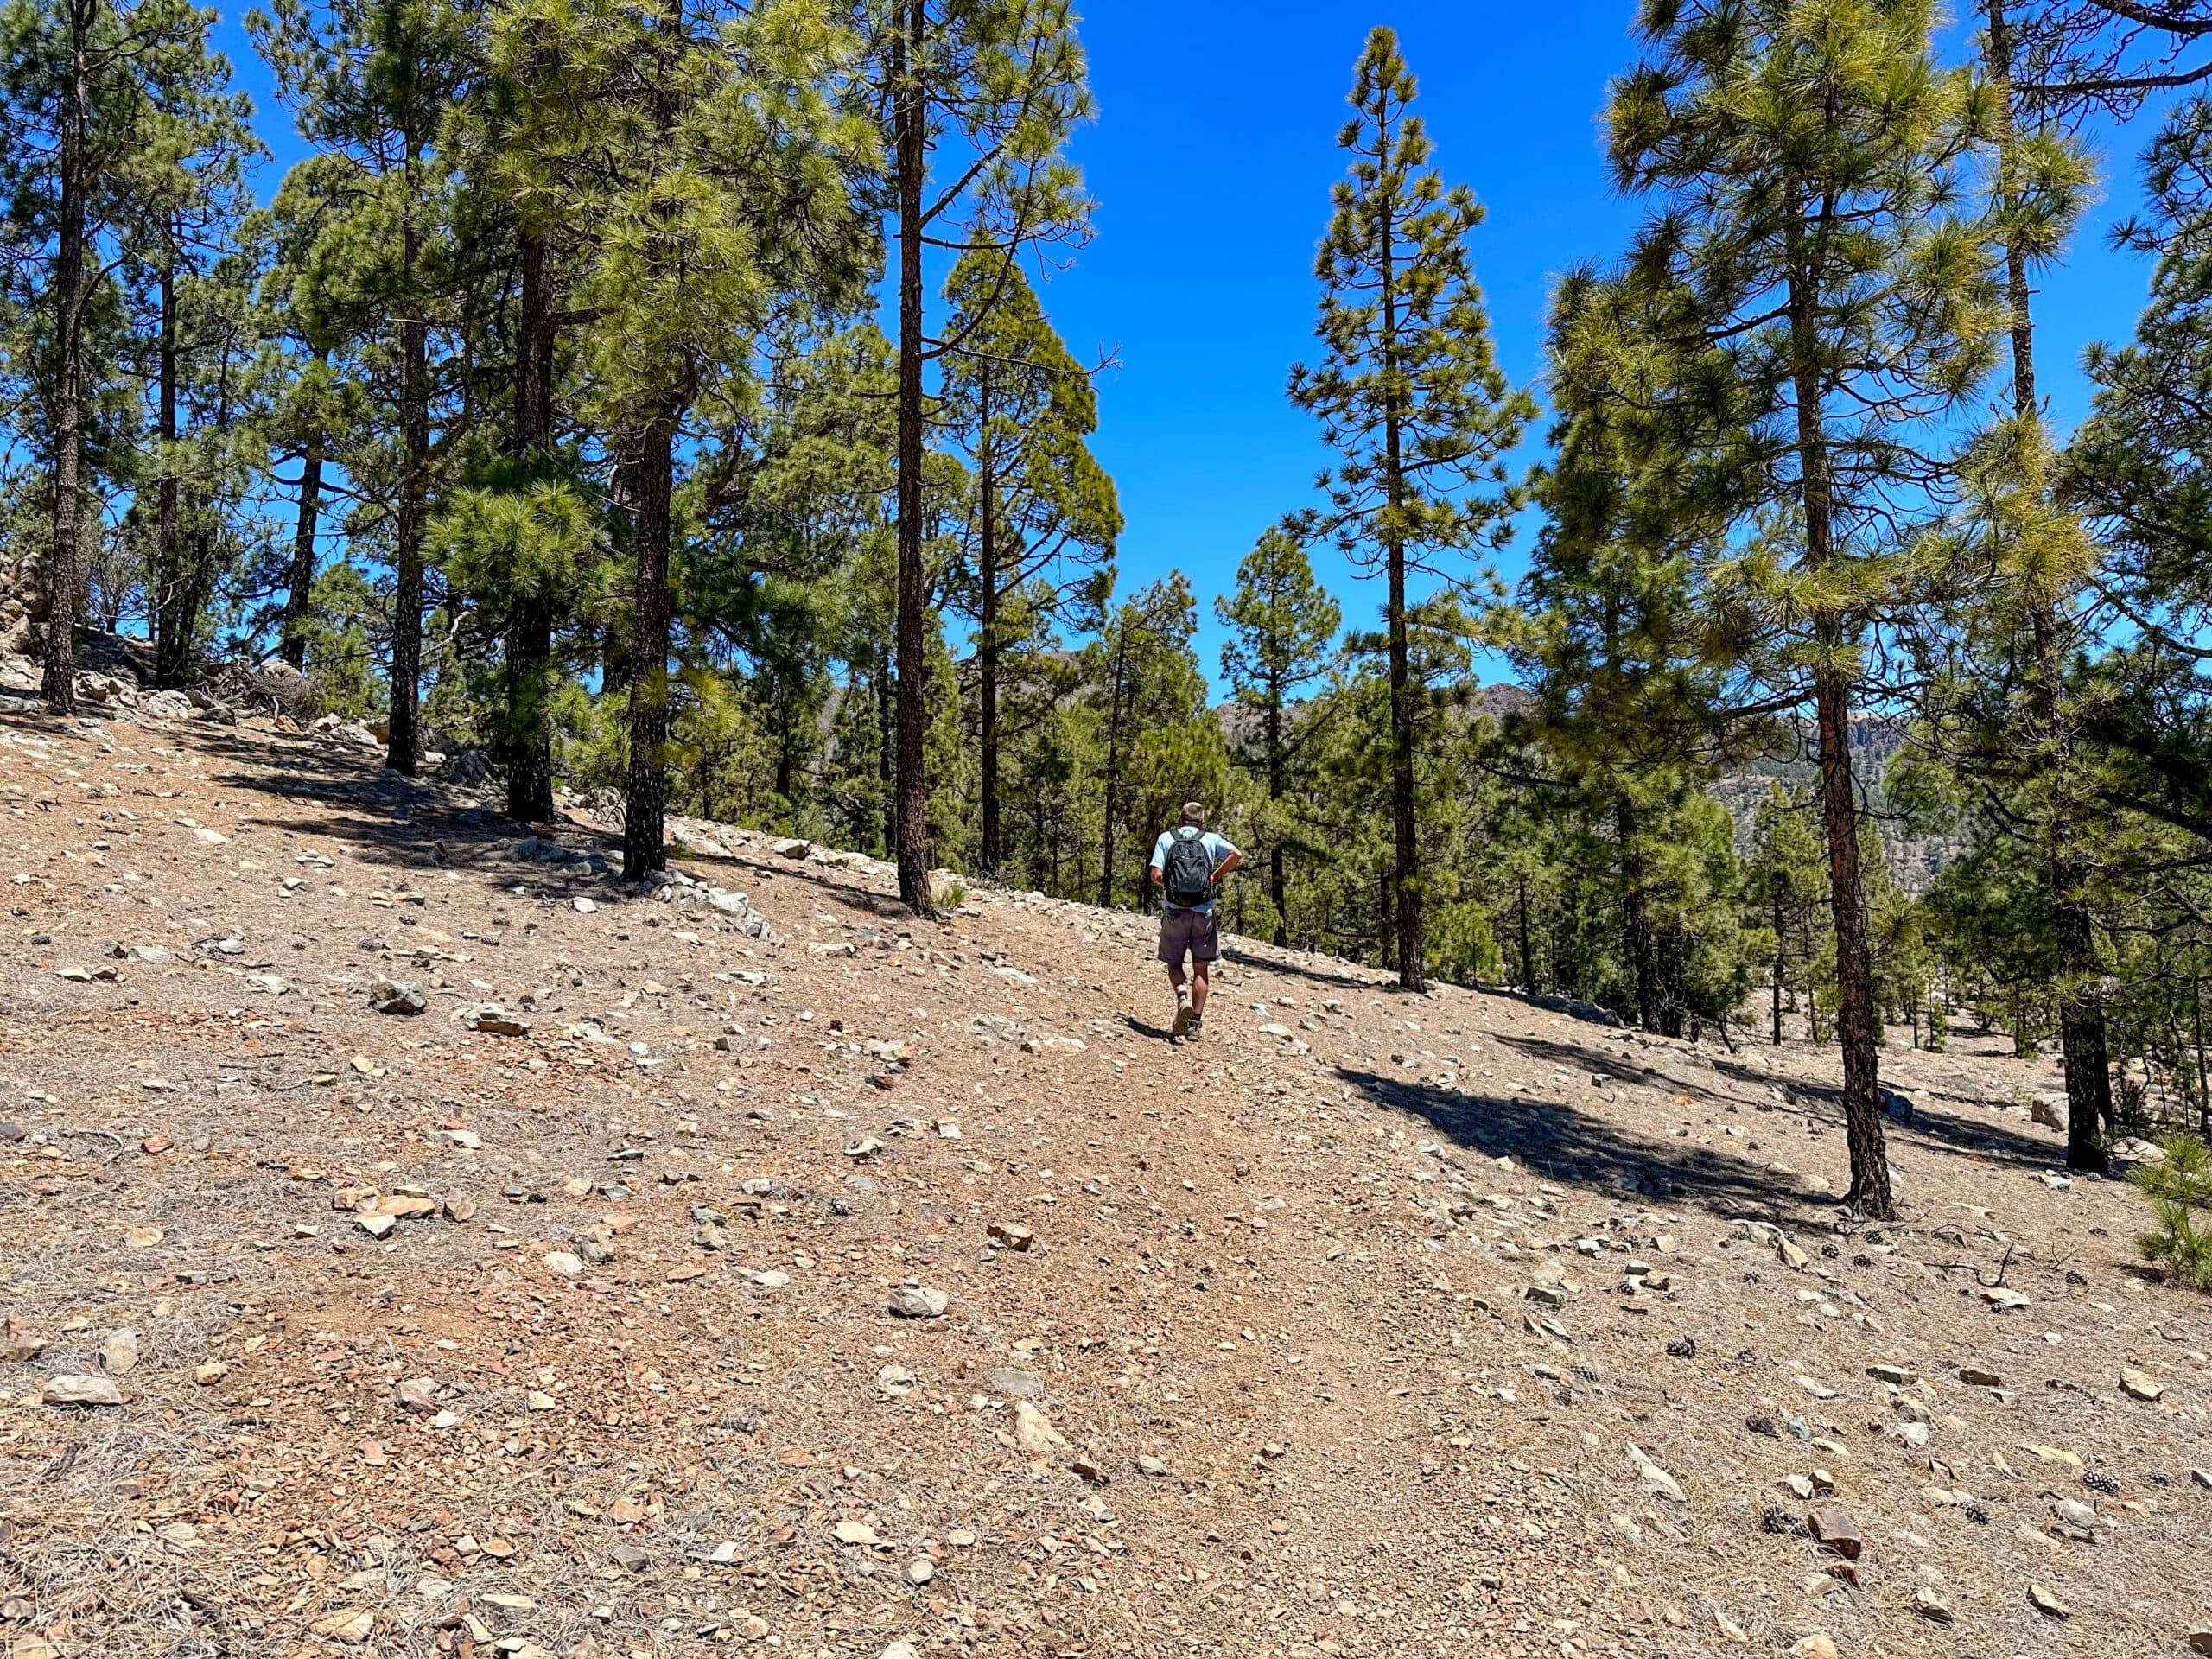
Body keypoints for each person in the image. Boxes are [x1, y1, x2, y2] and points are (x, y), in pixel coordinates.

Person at [1149, 802, 1242, 1040]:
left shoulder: (1166, 838)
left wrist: (1170, 886)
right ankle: (1195, 1026)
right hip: (1204, 913)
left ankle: (1182, 997)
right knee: (1201, 968)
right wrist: (1214, 877)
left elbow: (1156, 875)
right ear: (1201, 822)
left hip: (1174, 912)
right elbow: (1236, 855)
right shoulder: (1210, 839)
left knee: (1174, 962)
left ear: (1179, 820)